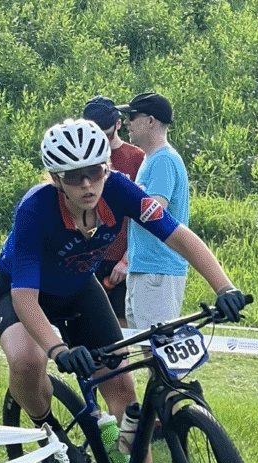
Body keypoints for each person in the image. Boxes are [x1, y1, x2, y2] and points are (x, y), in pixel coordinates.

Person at [0, 118, 248, 463]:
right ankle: (48, 431)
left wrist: (224, 287)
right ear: (57, 179)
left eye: (95, 171)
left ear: (107, 168)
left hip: (79, 289)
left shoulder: (121, 192)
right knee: (25, 358)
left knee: (123, 393)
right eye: (74, 178)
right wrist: (57, 349)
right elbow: (24, 298)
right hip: (24, 292)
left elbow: (178, 236)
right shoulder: (35, 209)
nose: (87, 184)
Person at [116, 92, 190, 329]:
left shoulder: (163, 161)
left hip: (157, 271)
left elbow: (154, 212)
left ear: (150, 121)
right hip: (144, 268)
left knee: (159, 352)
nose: (126, 122)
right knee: (148, 349)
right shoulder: (151, 159)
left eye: (132, 116)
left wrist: (120, 193)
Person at [82, 95, 144, 327]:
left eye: (107, 136)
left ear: (119, 125)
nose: (102, 143)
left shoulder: (136, 158)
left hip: (121, 257)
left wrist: (126, 260)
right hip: (89, 256)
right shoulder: (81, 159)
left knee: (121, 327)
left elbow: (146, 217)